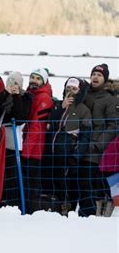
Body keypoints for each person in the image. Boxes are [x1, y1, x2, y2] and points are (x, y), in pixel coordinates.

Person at [47, 77, 92, 215]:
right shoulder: (58, 105)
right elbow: (50, 124)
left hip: (68, 153)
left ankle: (66, 211)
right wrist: (61, 108)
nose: (70, 92)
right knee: (51, 181)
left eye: (74, 89)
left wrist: (76, 155)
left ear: (80, 91)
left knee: (64, 183)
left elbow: (85, 136)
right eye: (68, 88)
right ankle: (52, 208)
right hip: (51, 152)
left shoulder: (83, 110)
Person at [0, 71, 32, 207]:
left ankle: (12, 205)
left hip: (13, 143)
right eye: (10, 83)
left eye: (15, 84)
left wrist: (17, 96)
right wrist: (5, 94)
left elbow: (20, 118)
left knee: (11, 176)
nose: (12, 86)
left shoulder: (26, 98)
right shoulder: (3, 96)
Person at [81, 64, 119, 215]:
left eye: (99, 75)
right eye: (94, 74)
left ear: (105, 79)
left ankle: (91, 216)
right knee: (79, 184)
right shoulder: (83, 94)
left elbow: (113, 125)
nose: (95, 77)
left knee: (89, 184)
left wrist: (98, 144)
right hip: (78, 148)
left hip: (94, 150)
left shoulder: (109, 99)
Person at [21, 68, 53, 214]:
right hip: (28, 142)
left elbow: (36, 125)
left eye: (38, 78)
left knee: (32, 181)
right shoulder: (30, 94)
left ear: (44, 81)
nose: (34, 80)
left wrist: (26, 150)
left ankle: (31, 211)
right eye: (32, 77)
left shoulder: (43, 98)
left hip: (34, 147)